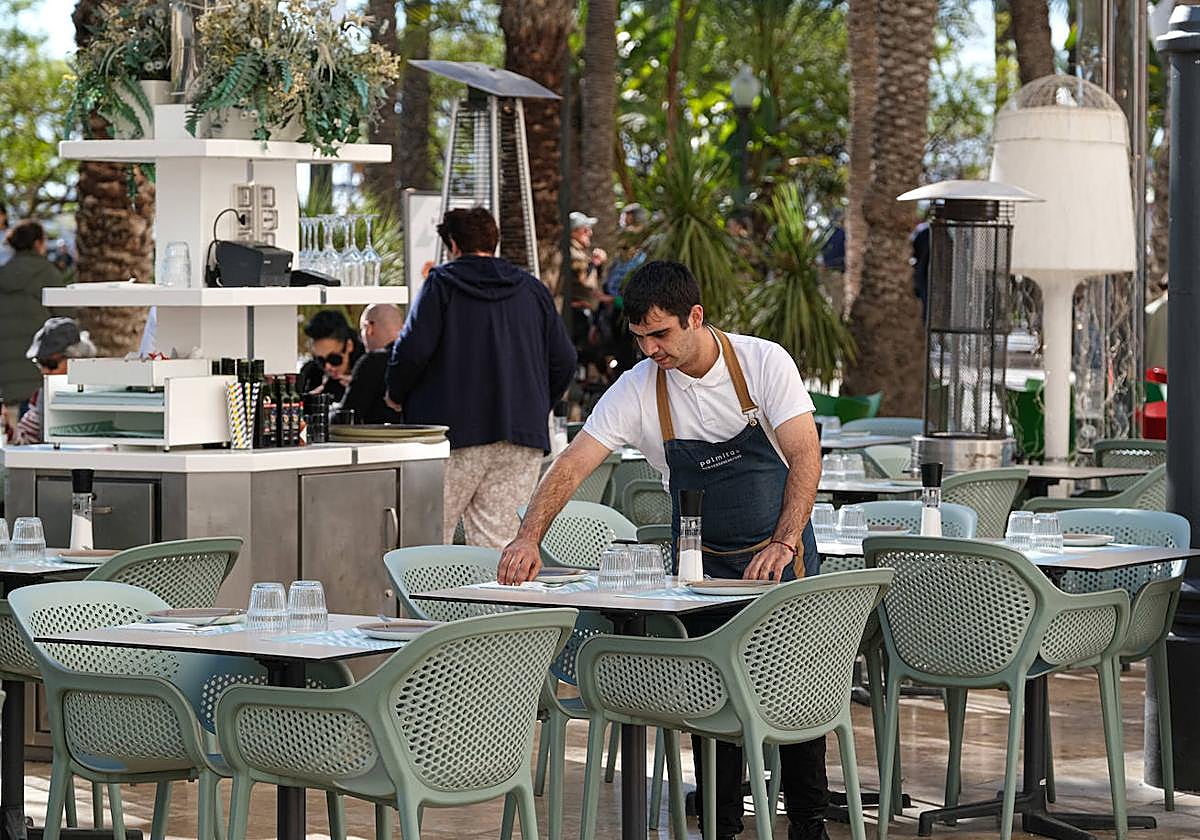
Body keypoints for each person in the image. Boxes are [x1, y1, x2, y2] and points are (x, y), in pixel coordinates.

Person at [498, 260, 827, 840]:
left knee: (794, 695)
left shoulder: (762, 362)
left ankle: (809, 825)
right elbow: (573, 464)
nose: (650, 349)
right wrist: (529, 536)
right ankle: (721, 827)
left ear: (694, 317)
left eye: (661, 334)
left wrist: (784, 539)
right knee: (710, 695)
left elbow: (805, 453)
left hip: (779, 558)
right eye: (640, 338)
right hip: (699, 571)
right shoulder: (640, 388)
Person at [386, 207, 576, 549]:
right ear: (494, 241)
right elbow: (564, 359)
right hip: (522, 439)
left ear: (453, 244)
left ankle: (432, 604)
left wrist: (395, 393)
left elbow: (412, 350)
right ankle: (493, 605)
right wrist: (533, 403)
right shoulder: (532, 290)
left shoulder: (441, 285)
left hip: (453, 435)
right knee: (499, 547)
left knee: (429, 540)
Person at [0, 220, 66, 412]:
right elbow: (65, 319)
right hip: (39, 369)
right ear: (38, 243)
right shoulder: (47, 274)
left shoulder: (2, 274)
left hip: (6, 374)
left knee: (12, 436)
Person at [8, 317, 96, 445]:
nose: (44, 371)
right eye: (40, 363)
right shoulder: (43, 394)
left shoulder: (101, 391)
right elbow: (26, 438)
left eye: (50, 364)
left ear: (75, 359)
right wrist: (7, 429)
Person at [337, 303, 403, 425]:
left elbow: (345, 419)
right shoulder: (420, 358)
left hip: (383, 442)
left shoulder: (372, 362)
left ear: (369, 328)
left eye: (362, 329)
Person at [301, 309, 364, 405]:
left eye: (334, 359)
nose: (327, 367)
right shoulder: (311, 372)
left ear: (349, 346)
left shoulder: (369, 366)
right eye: (320, 360)